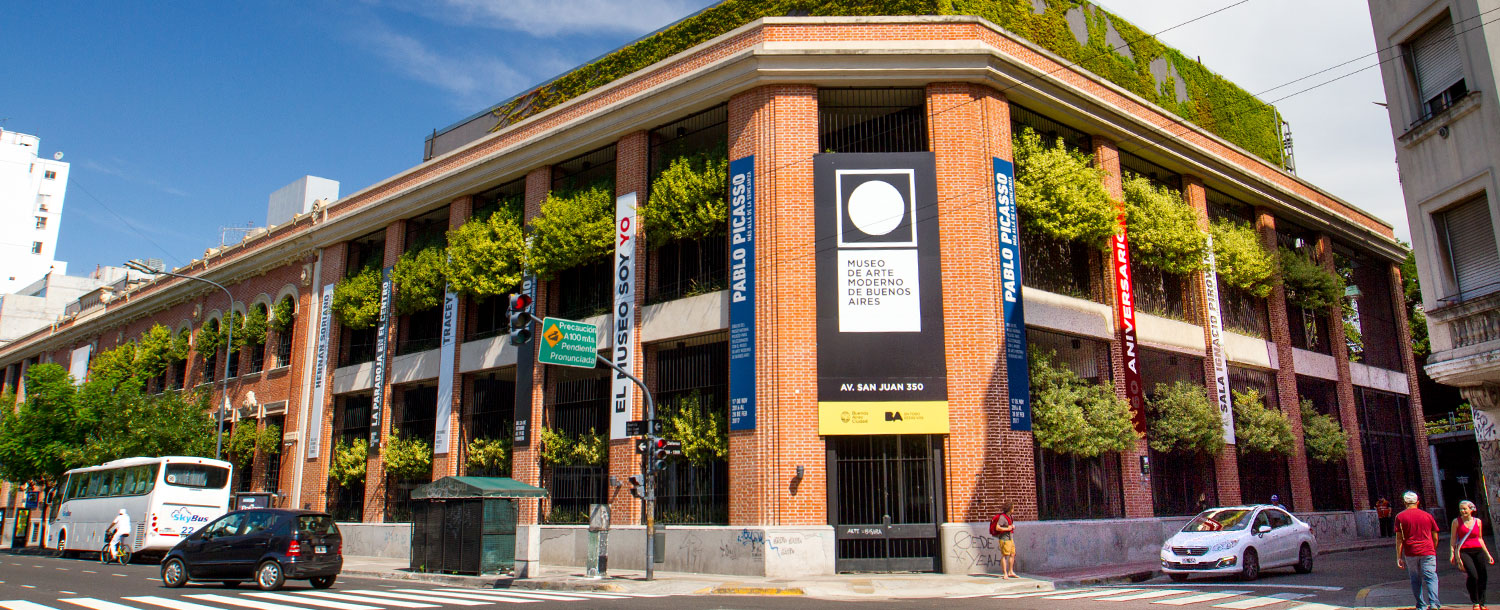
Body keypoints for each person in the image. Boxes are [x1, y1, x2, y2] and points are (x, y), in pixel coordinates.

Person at [1397, 491, 1442, 610]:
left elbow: (1399, 539)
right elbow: (1435, 535)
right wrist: (1433, 548)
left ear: (1405, 502)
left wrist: (1399, 556)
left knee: (1415, 578)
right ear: (1418, 502)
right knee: (1431, 577)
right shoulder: (1427, 515)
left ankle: (1421, 605)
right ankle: (1434, 603)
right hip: (1428, 550)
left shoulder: (1400, 517)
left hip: (1411, 552)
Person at [1451, 500, 1494, 610]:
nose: (1462, 511)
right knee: (1473, 575)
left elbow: (1480, 538)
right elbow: (1453, 540)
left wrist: (1488, 554)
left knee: (1482, 576)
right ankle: (1475, 601)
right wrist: (1453, 554)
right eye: (1461, 509)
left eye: (1465, 508)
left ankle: (1482, 602)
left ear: (1471, 510)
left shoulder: (1478, 522)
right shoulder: (1456, 522)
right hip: (1464, 551)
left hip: (1478, 550)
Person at [990, 502, 1018, 579]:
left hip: (1010, 537)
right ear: (1009, 509)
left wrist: (1012, 527)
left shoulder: (1010, 516)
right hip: (1004, 538)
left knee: (1012, 554)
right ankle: (1005, 573)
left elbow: (1009, 526)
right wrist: (1007, 529)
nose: (1013, 509)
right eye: (1013, 508)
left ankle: (1010, 571)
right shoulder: (1002, 517)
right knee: (1005, 555)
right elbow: (997, 527)